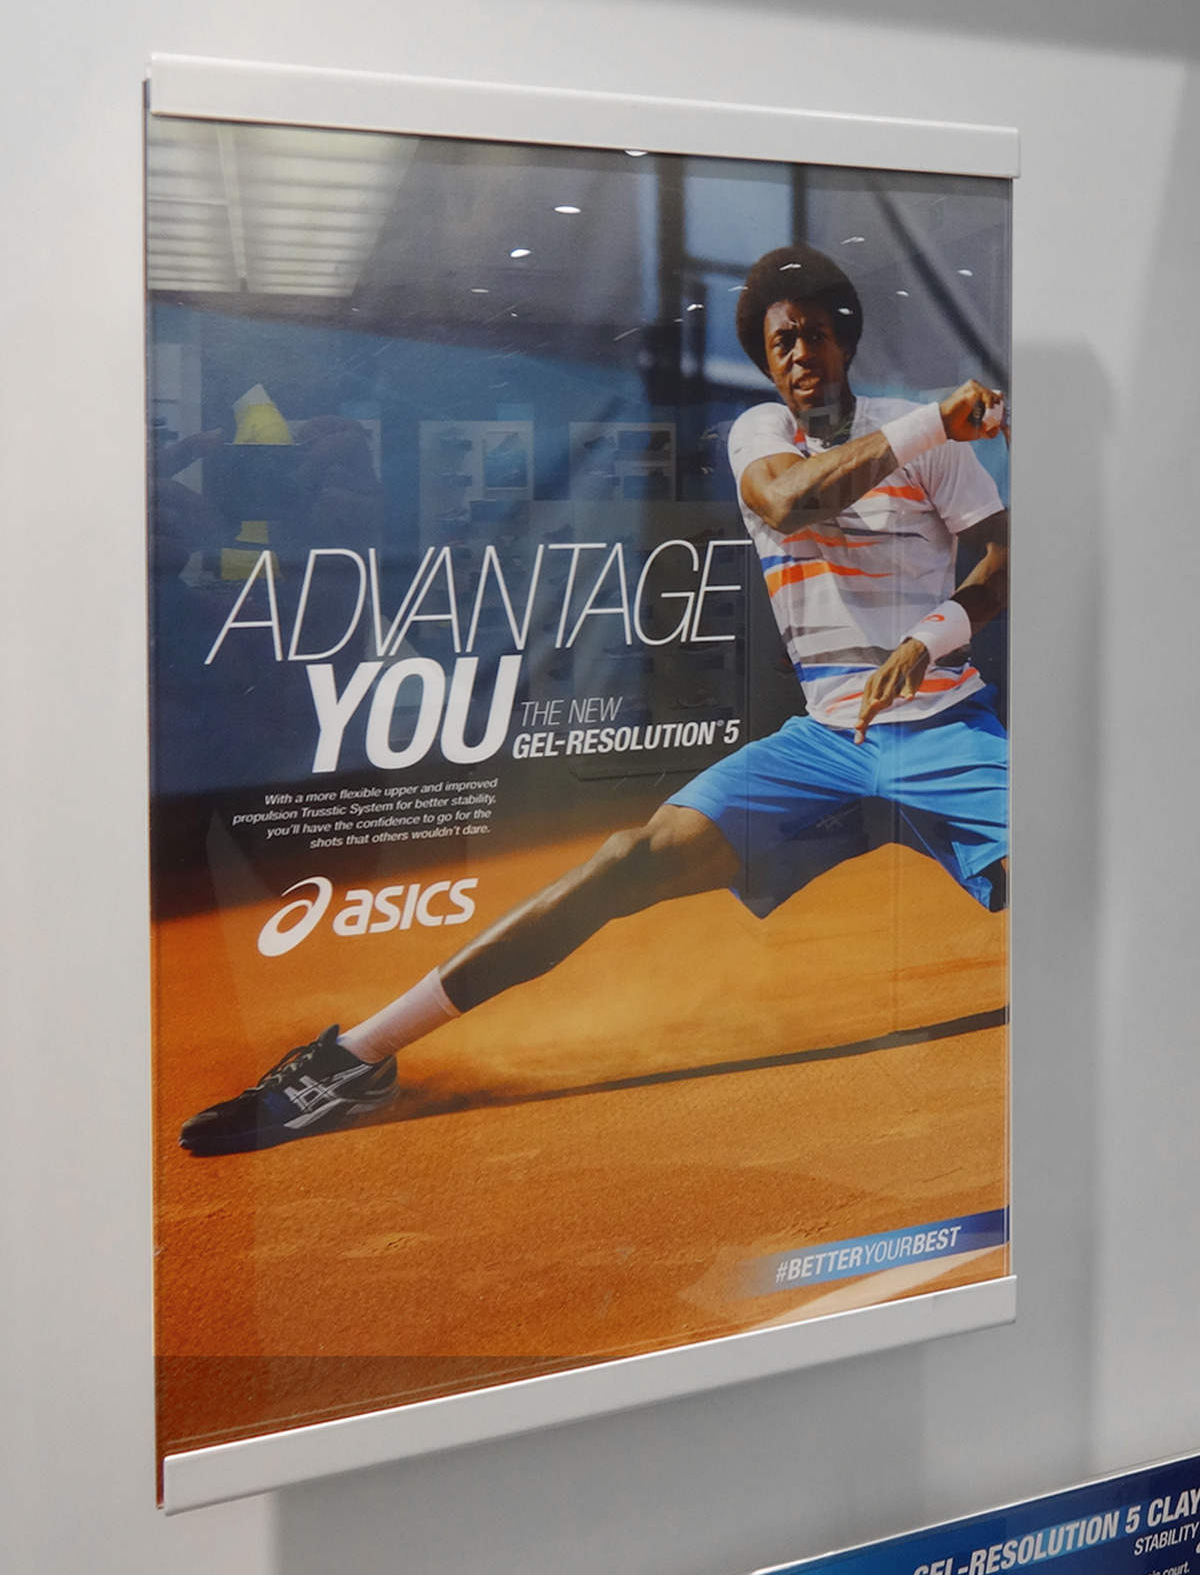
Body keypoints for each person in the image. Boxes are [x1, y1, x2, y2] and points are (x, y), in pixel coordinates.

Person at [180, 244, 1009, 1156]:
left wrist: (930, 638)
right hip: (823, 741)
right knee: (626, 860)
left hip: (945, 724)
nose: (800, 354)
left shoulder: (929, 445)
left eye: (814, 334)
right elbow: (788, 503)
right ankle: (358, 1056)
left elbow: (1003, 562)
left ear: (844, 341)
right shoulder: (770, 434)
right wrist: (935, 421)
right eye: (782, 343)